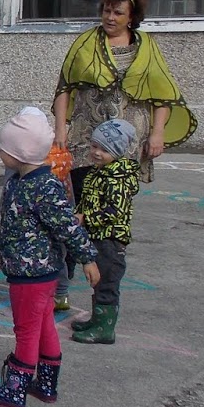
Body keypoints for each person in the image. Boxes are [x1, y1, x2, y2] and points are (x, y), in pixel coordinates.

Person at [0, 108, 100, 407]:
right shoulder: (16, 183)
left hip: (33, 275)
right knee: (44, 324)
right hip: (29, 270)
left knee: (26, 329)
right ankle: (46, 384)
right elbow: (11, 224)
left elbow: (68, 226)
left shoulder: (45, 187)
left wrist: (87, 258)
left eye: (4, 149)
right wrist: (0, 250)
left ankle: (15, 389)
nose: (0, 153)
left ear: (20, 152)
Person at [52, 0, 194, 205]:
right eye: (107, 11)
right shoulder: (85, 44)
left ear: (131, 17)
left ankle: (111, 230)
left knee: (116, 199)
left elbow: (162, 95)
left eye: (118, 13)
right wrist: (60, 130)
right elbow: (64, 88)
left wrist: (157, 133)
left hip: (128, 139)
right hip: (87, 135)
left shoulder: (146, 46)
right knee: (81, 192)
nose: (110, 17)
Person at [71, 119, 141, 346]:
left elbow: (114, 211)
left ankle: (105, 328)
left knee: (107, 281)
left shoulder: (117, 179)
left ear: (117, 152)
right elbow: (87, 199)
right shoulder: (98, 172)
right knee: (99, 280)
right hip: (97, 235)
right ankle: (97, 319)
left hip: (111, 239)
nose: (96, 153)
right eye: (94, 146)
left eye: (104, 149)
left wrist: (86, 218)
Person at [45, 142, 76, 312]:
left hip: (46, 211)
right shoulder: (59, 152)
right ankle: (61, 293)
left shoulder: (32, 153)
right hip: (62, 208)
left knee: (50, 251)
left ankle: (53, 293)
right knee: (59, 250)